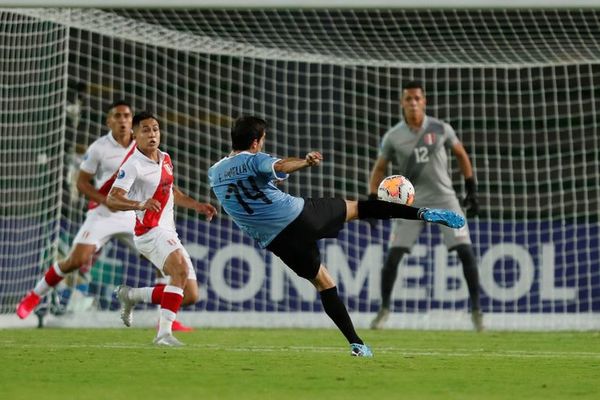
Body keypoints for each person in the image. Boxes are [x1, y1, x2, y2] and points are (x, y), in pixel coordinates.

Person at [208, 115, 466, 357]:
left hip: (277, 241)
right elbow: (279, 165)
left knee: (324, 283)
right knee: (360, 208)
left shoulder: (215, 172)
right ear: (255, 142)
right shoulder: (255, 159)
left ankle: (357, 343)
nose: (263, 143)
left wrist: (267, 184)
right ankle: (424, 213)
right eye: (263, 139)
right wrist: (305, 162)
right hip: (300, 216)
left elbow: (246, 187)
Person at [368, 80, 483, 331]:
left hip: (445, 198)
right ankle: (384, 310)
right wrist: (372, 200)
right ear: (402, 103)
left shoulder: (440, 128)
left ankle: (476, 311)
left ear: (424, 101)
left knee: (465, 252)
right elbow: (379, 168)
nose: (413, 103)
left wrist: (471, 189)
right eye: (408, 99)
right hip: (411, 202)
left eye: (417, 98)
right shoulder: (393, 136)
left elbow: (462, 155)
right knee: (393, 257)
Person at [16, 100, 137, 319]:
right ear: (109, 120)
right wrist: (104, 199)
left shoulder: (142, 148)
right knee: (76, 260)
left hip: (131, 215)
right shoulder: (99, 148)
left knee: (163, 260)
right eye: (117, 116)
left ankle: (167, 321)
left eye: (126, 116)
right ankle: (34, 295)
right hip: (103, 213)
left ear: (132, 120)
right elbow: (82, 183)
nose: (122, 120)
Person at [106, 111, 217, 346]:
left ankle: (131, 295)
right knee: (179, 272)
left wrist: (196, 205)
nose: (152, 134)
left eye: (155, 129)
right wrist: (140, 204)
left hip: (168, 230)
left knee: (190, 294)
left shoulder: (165, 158)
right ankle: (163, 334)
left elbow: (171, 191)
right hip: (149, 231)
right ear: (135, 134)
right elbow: (113, 198)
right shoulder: (133, 165)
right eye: (145, 129)